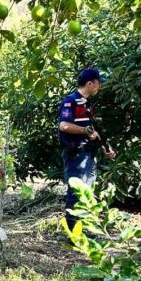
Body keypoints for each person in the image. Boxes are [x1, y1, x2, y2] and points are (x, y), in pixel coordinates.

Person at [58, 68, 116, 230]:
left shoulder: (86, 103)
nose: (100, 86)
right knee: (77, 193)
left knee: (87, 194)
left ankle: (82, 230)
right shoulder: (71, 101)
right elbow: (64, 125)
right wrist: (85, 131)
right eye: (98, 83)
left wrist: (104, 147)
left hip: (89, 154)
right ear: (90, 83)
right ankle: (74, 233)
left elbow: (92, 128)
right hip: (76, 154)